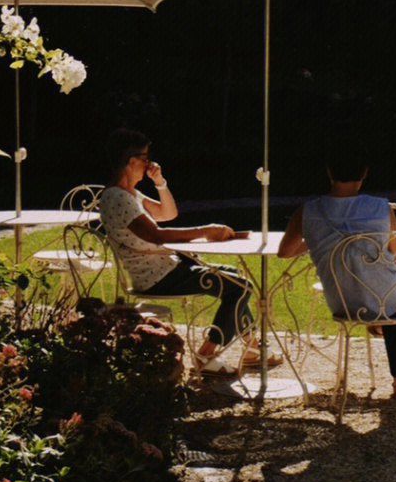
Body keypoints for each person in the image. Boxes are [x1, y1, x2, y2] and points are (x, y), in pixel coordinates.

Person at [95, 129, 276, 376]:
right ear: (132, 161)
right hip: (156, 277)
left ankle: (252, 351)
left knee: (235, 279)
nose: (150, 163)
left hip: (166, 269)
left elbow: (168, 214)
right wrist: (205, 231)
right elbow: (156, 235)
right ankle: (206, 354)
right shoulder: (118, 197)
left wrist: (160, 183)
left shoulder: (130, 194)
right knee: (240, 286)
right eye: (145, 157)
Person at [277, 138, 396, 399]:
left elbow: (284, 251)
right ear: (364, 173)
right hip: (385, 299)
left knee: (387, 284)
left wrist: (319, 243)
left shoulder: (307, 211)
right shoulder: (381, 208)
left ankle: (382, 331)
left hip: (342, 302)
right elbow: (394, 256)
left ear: (328, 171)